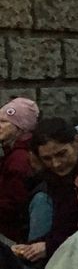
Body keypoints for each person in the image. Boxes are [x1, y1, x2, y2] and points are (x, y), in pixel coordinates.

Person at [14, 118, 78, 263]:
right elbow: (64, 225)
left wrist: (49, 246)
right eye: (47, 158)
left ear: (77, 142)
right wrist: (31, 247)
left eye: (61, 154)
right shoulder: (55, 180)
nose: (56, 164)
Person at [0, 97, 38, 243]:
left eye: (4, 122)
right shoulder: (12, 154)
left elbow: (14, 205)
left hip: (12, 236)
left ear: (20, 127)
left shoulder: (19, 159)